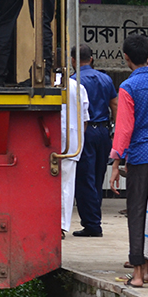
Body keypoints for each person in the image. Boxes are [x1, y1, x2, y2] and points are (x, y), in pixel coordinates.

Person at [110, 34, 148, 287]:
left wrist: (115, 161)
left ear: (126, 58)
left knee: (136, 212)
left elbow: (124, 128)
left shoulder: (128, 87)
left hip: (140, 157)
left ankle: (137, 273)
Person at [72, 44, 119, 237]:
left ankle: (92, 224)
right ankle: (94, 218)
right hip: (103, 133)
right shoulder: (105, 78)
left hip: (85, 132)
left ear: (73, 61)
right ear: (91, 59)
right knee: (98, 177)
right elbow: (114, 104)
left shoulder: (74, 81)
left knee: (85, 179)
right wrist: (114, 131)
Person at [61, 74, 89, 238]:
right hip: (71, 141)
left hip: (48, 139)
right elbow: (84, 118)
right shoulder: (77, 87)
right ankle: (61, 226)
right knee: (66, 186)